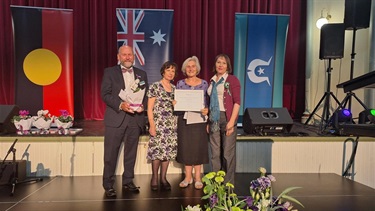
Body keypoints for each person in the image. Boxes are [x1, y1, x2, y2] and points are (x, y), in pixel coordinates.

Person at [101, 45, 148, 197]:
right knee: (110, 154)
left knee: (131, 153)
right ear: (118, 57)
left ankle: (128, 180)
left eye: (130, 55)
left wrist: (143, 107)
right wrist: (120, 105)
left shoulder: (142, 74)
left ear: (134, 57)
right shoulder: (109, 72)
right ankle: (108, 184)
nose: (127, 57)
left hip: (135, 119)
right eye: (124, 55)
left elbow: (146, 96)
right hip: (116, 118)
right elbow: (105, 94)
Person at [175, 56, 209, 190]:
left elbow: (209, 102)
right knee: (186, 148)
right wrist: (175, 103)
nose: (190, 69)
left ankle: (198, 178)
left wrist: (207, 111)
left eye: (193, 66)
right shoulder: (180, 84)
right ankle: (187, 177)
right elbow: (177, 103)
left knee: (198, 148)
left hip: (200, 120)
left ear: (197, 69)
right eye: (188, 67)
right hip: (184, 120)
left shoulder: (205, 84)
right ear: (184, 69)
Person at [207, 54, 241, 184]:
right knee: (215, 153)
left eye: (224, 63)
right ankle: (216, 182)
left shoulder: (232, 80)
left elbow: (237, 102)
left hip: (227, 118)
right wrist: (208, 121)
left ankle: (228, 184)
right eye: (218, 62)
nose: (220, 65)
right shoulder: (211, 80)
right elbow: (209, 102)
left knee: (227, 153)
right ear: (215, 64)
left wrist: (232, 122)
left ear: (228, 66)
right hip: (214, 118)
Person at [147, 61, 178, 191]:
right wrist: (152, 125)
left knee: (167, 153)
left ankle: (163, 178)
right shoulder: (155, 86)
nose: (171, 73)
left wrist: (177, 104)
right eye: (168, 70)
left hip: (171, 125)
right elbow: (149, 108)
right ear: (163, 71)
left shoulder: (175, 89)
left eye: (173, 71)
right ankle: (154, 178)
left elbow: (178, 108)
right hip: (158, 124)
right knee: (157, 152)